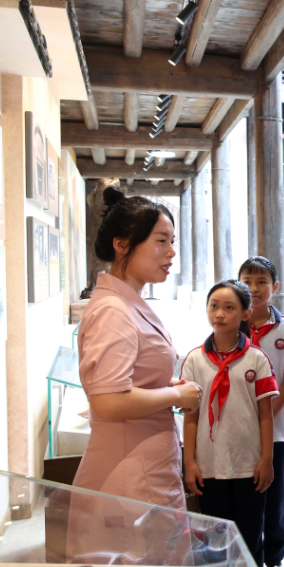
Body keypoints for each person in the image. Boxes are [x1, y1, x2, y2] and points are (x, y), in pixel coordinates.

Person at [73, 187, 202, 506]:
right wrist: (176, 395)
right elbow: (109, 401)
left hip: (143, 465)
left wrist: (163, 385)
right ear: (121, 245)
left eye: (172, 241)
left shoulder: (126, 302)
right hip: (128, 477)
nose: (171, 252)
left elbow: (129, 379)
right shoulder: (113, 310)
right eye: (161, 241)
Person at [182, 280, 278, 567]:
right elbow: (191, 416)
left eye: (229, 307)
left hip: (249, 466)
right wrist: (189, 462)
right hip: (209, 466)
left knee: (249, 538)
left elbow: (265, 414)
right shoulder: (194, 360)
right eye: (214, 306)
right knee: (215, 542)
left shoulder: (256, 358)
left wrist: (266, 459)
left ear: (246, 313)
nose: (219, 314)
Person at [238, 257, 284, 567]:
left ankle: (275, 560)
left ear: (275, 287)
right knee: (244, 496)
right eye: (247, 281)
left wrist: (263, 417)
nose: (254, 288)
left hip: (277, 430)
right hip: (238, 428)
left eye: (262, 281)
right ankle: (246, 557)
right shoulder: (233, 324)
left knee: (275, 496)